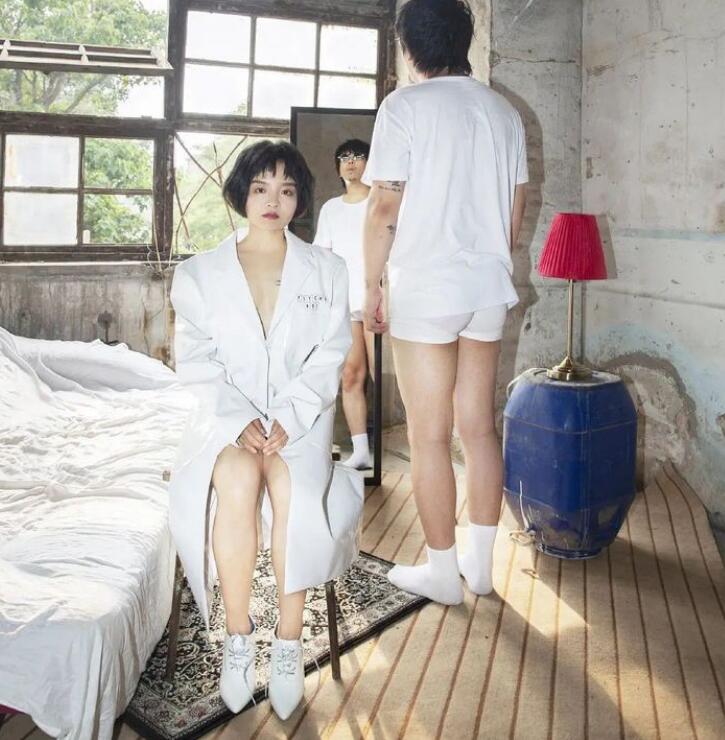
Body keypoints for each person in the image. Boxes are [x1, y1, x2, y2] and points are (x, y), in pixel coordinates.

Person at [168, 141, 364, 719]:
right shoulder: (198, 273)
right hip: (227, 422)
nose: (272, 200)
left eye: (286, 189)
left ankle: (287, 642)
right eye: (260, 188)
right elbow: (195, 359)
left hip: (299, 422)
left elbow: (331, 354)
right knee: (235, 481)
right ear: (241, 194)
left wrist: (291, 416)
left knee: (293, 489)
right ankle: (237, 637)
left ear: (299, 199)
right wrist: (238, 420)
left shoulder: (328, 269)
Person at [361, 0, 528, 605]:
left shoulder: (403, 107)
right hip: (487, 287)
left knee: (429, 436)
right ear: (464, 40)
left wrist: (371, 285)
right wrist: (489, 262)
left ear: (409, 48)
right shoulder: (503, 110)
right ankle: (480, 569)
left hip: (427, 286)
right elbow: (514, 211)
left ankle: (441, 573)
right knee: (478, 428)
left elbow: (384, 207)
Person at [314, 139, 374, 470]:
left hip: (379, 300)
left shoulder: (382, 201)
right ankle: (361, 451)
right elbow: (323, 257)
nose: (350, 162)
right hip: (345, 302)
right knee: (350, 375)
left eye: (358, 156)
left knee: (381, 373)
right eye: (344, 157)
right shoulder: (331, 209)